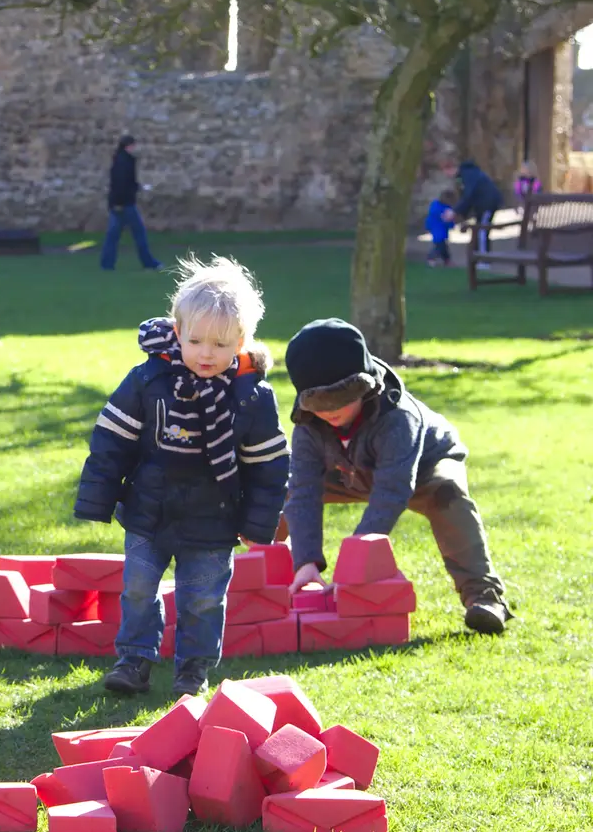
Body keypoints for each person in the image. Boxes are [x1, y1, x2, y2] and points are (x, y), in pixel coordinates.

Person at [75, 256, 288, 698]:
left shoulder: (250, 397)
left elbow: (267, 465)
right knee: (137, 589)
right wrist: (98, 497)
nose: (206, 353)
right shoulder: (148, 380)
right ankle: (134, 659)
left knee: (204, 598)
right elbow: (112, 439)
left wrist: (258, 523)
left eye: (221, 344)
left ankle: (194, 667)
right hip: (149, 510)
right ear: (177, 332)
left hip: (215, 518)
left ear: (242, 343)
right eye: (195, 341)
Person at [280, 318, 512, 635]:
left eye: (343, 397)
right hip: (346, 470)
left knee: (448, 494)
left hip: (423, 464)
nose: (332, 410)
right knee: (281, 496)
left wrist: (353, 569)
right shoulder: (307, 424)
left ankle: (485, 599)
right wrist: (306, 561)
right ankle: (266, 587)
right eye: (321, 402)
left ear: (366, 384)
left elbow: (391, 491)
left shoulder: (398, 417)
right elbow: (304, 489)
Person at [101, 135, 163, 271]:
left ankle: (107, 264)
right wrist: (122, 201)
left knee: (113, 236)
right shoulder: (125, 162)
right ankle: (148, 262)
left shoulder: (118, 160)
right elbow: (122, 183)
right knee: (139, 234)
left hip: (118, 204)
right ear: (129, 146)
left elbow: (121, 183)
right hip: (125, 204)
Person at [441, 157, 503, 256]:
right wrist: (462, 215)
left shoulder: (468, 174)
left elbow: (468, 195)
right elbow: (467, 198)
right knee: (479, 229)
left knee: (483, 229)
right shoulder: (463, 176)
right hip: (481, 205)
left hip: (487, 203)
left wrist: (454, 212)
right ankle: (479, 257)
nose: (447, 175)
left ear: (452, 168)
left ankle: (484, 258)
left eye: (446, 171)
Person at [425, 188, 457, 267]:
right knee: (439, 246)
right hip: (438, 231)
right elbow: (446, 219)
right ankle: (431, 258)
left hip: (440, 230)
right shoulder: (442, 209)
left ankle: (447, 260)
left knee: (443, 246)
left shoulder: (437, 206)